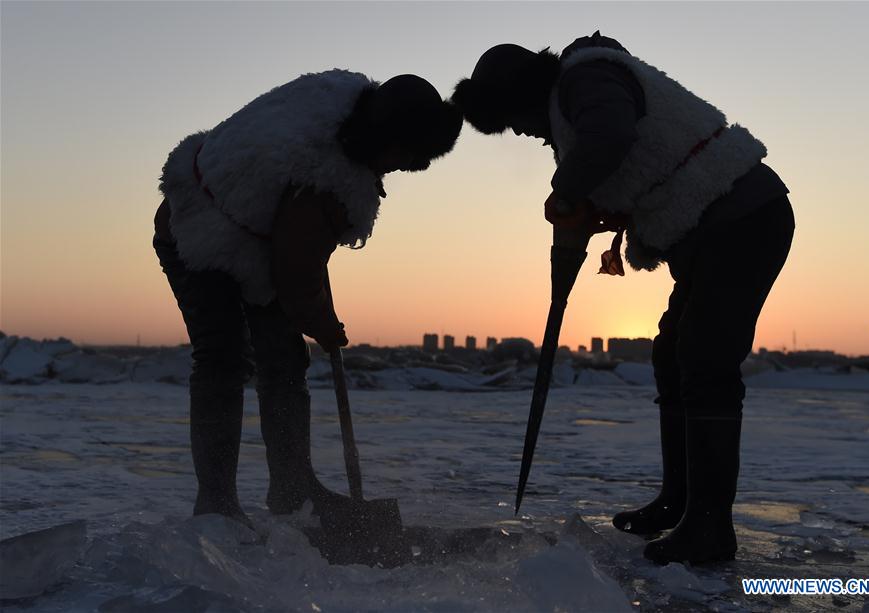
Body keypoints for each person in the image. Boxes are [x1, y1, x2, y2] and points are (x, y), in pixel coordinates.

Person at [452, 32, 794, 564]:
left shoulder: (586, 79)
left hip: (743, 218)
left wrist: (567, 191)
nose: (520, 130)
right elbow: (634, 166)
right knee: (672, 354)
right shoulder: (576, 102)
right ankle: (680, 502)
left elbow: (611, 137)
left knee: (704, 360)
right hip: (719, 227)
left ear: (522, 97)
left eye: (514, 119)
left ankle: (709, 527)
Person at [154, 70, 462, 525]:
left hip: (250, 227)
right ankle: (216, 504)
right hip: (194, 226)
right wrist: (324, 326)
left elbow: (297, 249)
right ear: (387, 137)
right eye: (405, 156)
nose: (401, 169)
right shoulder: (329, 178)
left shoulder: (338, 103)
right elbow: (295, 274)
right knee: (222, 356)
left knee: (282, 359)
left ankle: (294, 491)